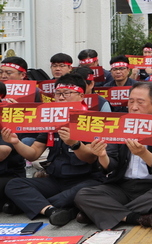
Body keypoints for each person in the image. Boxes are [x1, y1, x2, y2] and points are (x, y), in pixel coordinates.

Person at [73, 82, 152, 230]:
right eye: (131, 101)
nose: (134, 107)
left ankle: (102, 213)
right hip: (122, 185)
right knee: (83, 194)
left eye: (140, 102)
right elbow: (111, 165)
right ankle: (135, 217)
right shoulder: (118, 124)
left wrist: (143, 153)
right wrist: (102, 156)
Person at [2, 74, 102, 225]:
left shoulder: (92, 121)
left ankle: (32, 205)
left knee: (82, 193)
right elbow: (33, 154)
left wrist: (74, 143)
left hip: (84, 180)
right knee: (14, 185)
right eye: (58, 94)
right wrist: (16, 142)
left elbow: (90, 158)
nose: (61, 98)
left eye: (67, 93)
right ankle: (53, 210)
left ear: (81, 95)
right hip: (55, 179)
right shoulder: (51, 122)